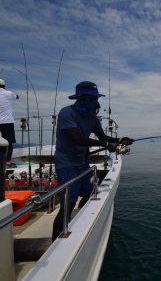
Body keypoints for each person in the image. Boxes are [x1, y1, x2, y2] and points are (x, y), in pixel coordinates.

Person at [52, 81, 134, 240]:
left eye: (96, 98)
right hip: (66, 164)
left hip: (83, 163)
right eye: (92, 98)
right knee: (68, 204)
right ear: (82, 99)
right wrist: (105, 144)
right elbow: (78, 139)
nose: (95, 102)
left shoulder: (92, 118)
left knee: (91, 191)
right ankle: (55, 240)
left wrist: (120, 140)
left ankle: (81, 221)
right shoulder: (66, 113)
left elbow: (104, 137)